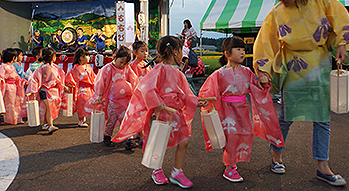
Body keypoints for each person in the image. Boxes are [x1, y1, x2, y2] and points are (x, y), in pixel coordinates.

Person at [253, 0, 349, 187]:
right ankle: (276, 155)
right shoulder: (277, 12)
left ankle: (323, 167)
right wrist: (263, 69)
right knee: (287, 115)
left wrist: (341, 43)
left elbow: (339, 18)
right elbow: (266, 40)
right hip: (294, 65)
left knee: (322, 118)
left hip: (318, 62)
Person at [112, 36, 208, 188]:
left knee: (184, 141)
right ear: (174, 52)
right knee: (160, 142)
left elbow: (186, 93)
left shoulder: (177, 72)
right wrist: (158, 104)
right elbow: (147, 88)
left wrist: (196, 102)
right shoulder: (159, 69)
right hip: (164, 113)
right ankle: (157, 169)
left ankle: (177, 171)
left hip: (176, 113)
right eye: (181, 51)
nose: (182, 55)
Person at [198, 36, 284, 182]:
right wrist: (205, 101)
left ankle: (231, 161)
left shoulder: (247, 71)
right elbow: (207, 91)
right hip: (226, 110)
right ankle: (229, 167)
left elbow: (257, 86)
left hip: (242, 108)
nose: (242, 53)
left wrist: (263, 81)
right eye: (238, 49)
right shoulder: (219, 73)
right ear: (227, 52)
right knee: (231, 136)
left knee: (244, 133)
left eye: (244, 50)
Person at [85, 46, 139, 147]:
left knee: (126, 118)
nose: (122, 65)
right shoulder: (108, 68)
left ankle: (129, 139)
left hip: (124, 99)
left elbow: (133, 78)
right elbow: (101, 82)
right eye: (121, 61)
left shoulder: (126, 68)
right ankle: (107, 136)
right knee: (112, 119)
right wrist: (100, 95)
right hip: (112, 100)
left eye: (125, 63)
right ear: (114, 57)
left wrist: (136, 91)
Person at [26, 48, 67, 134]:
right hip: (44, 90)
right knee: (49, 107)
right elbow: (34, 79)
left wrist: (63, 86)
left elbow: (34, 79)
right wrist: (33, 90)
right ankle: (50, 125)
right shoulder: (43, 68)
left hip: (51, 90)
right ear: (52, 57)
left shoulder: (47, 67)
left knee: (49, 108)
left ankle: (45, 123)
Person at [65, 48, 96, 127]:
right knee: (81, 105)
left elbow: (93, 76)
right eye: (87, 55)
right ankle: (81, 120)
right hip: (81, 89)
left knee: (91, 103)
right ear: (81, 57)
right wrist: (70, 83)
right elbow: (69, 77)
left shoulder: (88, 66)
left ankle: (85, 119)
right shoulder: (76, 68)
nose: (89, 57)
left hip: (89, 88)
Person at [0, 48, 27, 124]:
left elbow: (17, 77)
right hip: (7, 87)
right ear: (13, 58)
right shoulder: (3, 67)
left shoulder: (11, 66)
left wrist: (23, 81)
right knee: (9, 104)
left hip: (13, 86)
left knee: (15, 103)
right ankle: (10, 119)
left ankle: (16, 118)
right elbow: (1, 77)